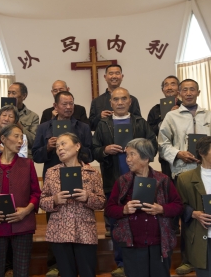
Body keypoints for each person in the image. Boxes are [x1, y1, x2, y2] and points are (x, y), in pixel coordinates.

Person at [158, 78, 211, 275]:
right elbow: (162, 144)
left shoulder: (209, 115)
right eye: (184, 90)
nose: (188, 93)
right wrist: (178, 153)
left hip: (210, 172)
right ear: (179, 93)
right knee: (190, 216)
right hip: (185, 172)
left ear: (198, 92)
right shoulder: (172, 117)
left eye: (192, 89)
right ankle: (189, 259)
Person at [93, 87, 157, 277]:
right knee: (117, 223)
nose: (120, 102)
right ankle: (121, 262)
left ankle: (145, 258)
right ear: (110, 103)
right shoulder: (103, 125)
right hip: (114, 180)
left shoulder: (140, 122)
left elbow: (154, 146)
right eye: (116, 99)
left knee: (143, 219)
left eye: (124, 99)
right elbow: (94, 150)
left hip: (141, 180)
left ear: (130, 101)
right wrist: (105, 149)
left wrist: (139, 149)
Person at [32, 91, 93, 277]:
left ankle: (79, 264)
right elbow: (36, 155)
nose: (68, 107)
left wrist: (74, 148)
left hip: (80, 177)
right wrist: (49, 147)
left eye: (71, 103)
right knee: (55, 223)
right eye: (64, 104)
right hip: (54, 178)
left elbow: (90, 154)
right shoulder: (44, 128)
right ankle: (56, 264)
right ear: (55, 106)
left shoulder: (82, 127)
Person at [105, 138, 183, 277]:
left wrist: (162, 209)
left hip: (159, 244)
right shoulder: (122, 181)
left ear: (146, 157)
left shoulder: (163, 180)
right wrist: (124, 209)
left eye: (132, 154)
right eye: (127, 155)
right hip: (132, 244)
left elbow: (178, 206)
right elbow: (109, 209)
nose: (127, 159)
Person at [40, 133, 106, 277]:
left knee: (87, 272)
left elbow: (101, 202)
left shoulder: (92, 172)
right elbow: (42, 202)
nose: (59, 149)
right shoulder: (52, 172)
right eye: (57, 147)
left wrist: (88, 197)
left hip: (85, 230)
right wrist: (55, 200)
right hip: (59, 231)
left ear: (77, 146)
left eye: (63, 144)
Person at [0, 124, 41, 277]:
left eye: (22, 137)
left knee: (21, 271)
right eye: (16, 136)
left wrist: (26, 211)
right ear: (3, 139)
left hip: (22, 223)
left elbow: (36, 193)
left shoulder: (27, 164)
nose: (20, 141)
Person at [176, 136, 211, 277]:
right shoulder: (184, 179)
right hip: (202, 237)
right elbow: (179, 206)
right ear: (202, 153)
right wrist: (193, 213)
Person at [147, 75, 182, 177]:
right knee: (169, 187)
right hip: (165, 155)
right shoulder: (155, 110)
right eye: (166, 85)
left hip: (185, 153)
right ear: (163, 90)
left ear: (179, 89)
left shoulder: (185, 107)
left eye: (173, 84)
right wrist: (166, 119)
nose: (169, 87)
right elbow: (150, 132)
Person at [0, 82, 39, 159]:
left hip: (22, 156)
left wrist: (18, 125)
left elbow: (34, 141)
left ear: (24, 96)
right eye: (9, 93)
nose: (10, 96)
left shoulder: (33, 116)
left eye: (13, 93)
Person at [89, 64, 141, 131]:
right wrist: (100, 117)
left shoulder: (132, 99)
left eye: (117, 73)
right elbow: (90, 126)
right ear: (105, 77)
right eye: (111, 73)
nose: (114, 76)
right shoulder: (96, 101)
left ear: (122, 77)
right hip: (106, 139)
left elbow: (139, 123)